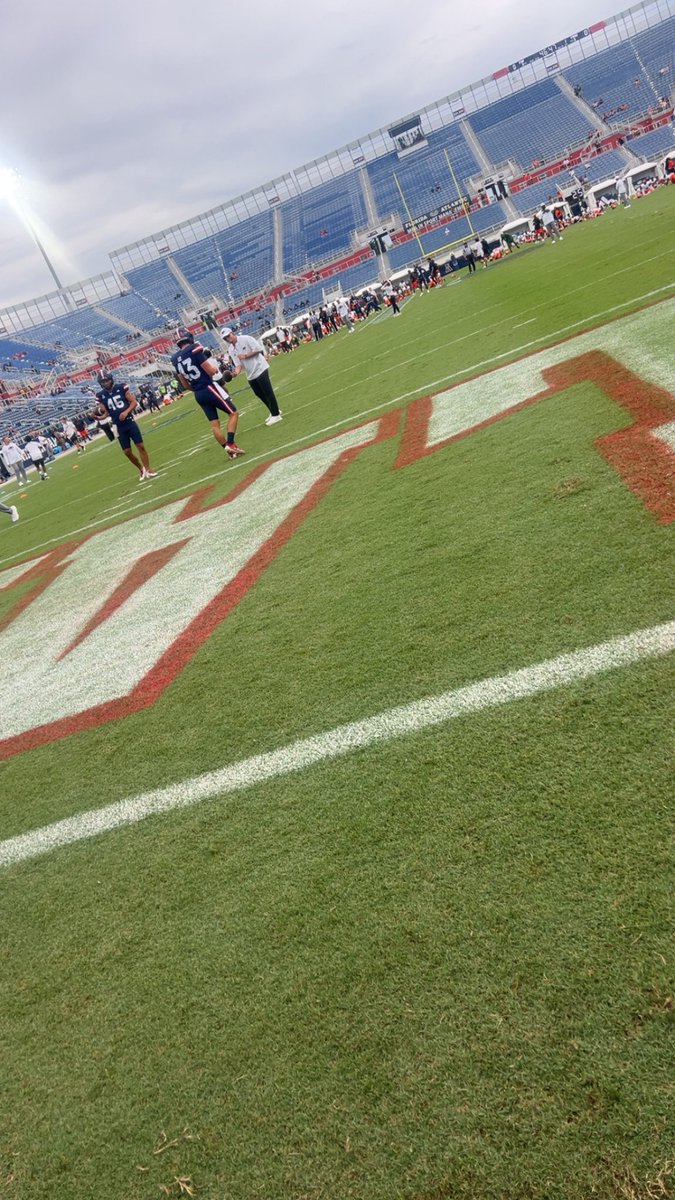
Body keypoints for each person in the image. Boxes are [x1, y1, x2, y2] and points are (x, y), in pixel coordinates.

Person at [171, 328, 245, 457]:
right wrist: (214, 369)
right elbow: (210, 371)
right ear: (189, 337)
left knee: (215, 425)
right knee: (233, 413)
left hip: (198, 393)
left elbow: (185, 385)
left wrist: (197, 388)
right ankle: (231, 444)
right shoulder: (194, 348)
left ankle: (229, 451)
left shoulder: (175, 358)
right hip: (208, 387)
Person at [95, 371, 159, 481]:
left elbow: (134, 402)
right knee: (127, 452)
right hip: (117, 426)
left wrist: (126, 412)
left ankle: (148, 469)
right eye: (103, 382)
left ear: (111, 379)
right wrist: (98, 417)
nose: (105, 383)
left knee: (140, 446)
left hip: (129, 421)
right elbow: (105, 413)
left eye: (106, 380)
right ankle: (141, 468)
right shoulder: (100, 395)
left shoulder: (121, 387)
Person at [220, 327, 282, 426]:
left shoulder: (246, 338)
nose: (228, 338)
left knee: (268, 392)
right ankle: (273, 410)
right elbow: (238, 364)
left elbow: (258, 349)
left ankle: (276, 415)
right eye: (225, 338)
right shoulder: (231, 349)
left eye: (228, 335)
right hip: (250, 373)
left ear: (232, 333)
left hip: (260, 367)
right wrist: (235, 373)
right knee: (259, 394)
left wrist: (245, 356)